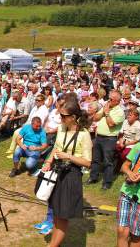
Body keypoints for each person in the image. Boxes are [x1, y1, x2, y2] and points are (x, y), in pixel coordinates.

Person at [42, 99, 92, 247]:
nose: (61, 119)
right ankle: (53, 243)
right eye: (60, 115)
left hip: (71, 176)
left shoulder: (84, 135)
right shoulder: (61, 129)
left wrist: (68, 156)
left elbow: (88, 162)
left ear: (73, 117)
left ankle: (53, 245)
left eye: (64, 116)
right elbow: (56, 148)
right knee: (56, 212)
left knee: (63, 215)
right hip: (57, 173)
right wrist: (48, 162)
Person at [116, 121, 140, 247]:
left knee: (135, 235)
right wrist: (129, 172)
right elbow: (125, 165)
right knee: (121, 231)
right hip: (127, 192)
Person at [88, 90, 125, 189]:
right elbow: (95, 118)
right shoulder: (106, 107)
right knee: (95, 159)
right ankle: (93, 177)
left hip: (110, 139)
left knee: (108, 161)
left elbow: (111, 124)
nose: (109, 100)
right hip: (99, 137)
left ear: (117, 101)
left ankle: (107, 182)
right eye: (109, 98)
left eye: (111, 99)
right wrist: (104, 111)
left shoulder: (120, 112)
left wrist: (107, 113)